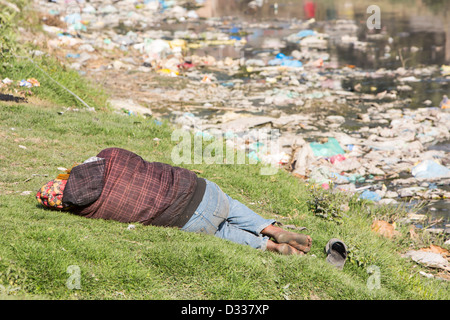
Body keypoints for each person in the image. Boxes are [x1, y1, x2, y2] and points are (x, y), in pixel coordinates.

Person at [36, 148, 312, 255]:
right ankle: (271, 229)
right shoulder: (112, 156)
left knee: (221, 232)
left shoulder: (87, 209)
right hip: (203, 192)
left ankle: (269, 247)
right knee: (229, 204)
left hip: (187, 222)